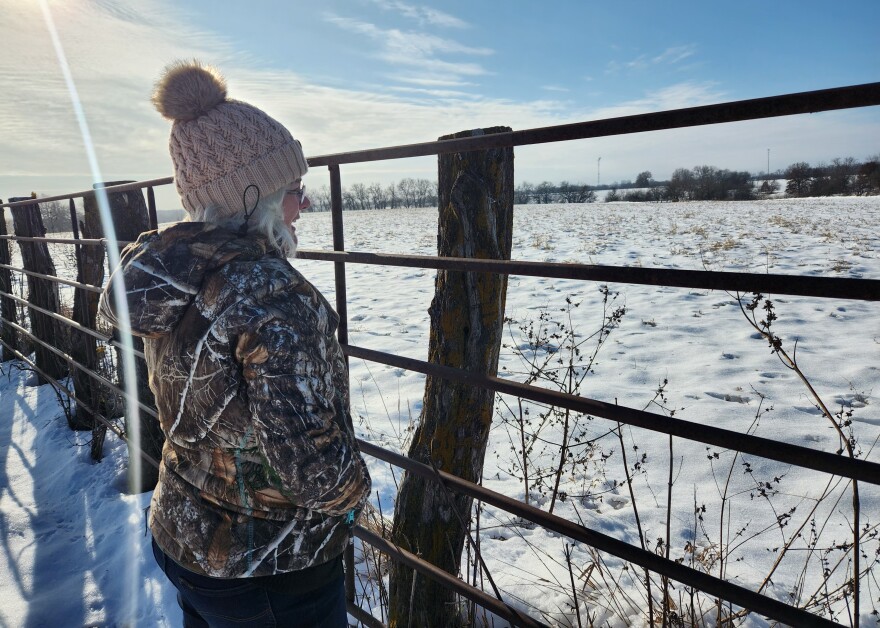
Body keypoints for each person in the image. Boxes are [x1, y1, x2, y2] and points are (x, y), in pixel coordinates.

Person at [99, 60, 371, 627]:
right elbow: (315, 471)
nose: (305, 204)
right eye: (294, 189)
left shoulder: (170, 275)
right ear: (254, 194)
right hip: (271, 571)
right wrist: (356, 494)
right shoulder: (272, 299)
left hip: (184, 541)